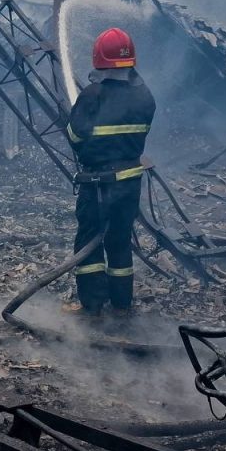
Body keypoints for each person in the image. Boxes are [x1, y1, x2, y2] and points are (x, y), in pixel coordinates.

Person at [65, 27, 156, 316]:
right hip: (129, 182)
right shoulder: (145, 97)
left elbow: (75, 136)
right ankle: (121, 305)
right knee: (119, 241)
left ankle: (92, 306)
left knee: (89, 241)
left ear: (98, 59)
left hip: (98, 183)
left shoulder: (92, 95)